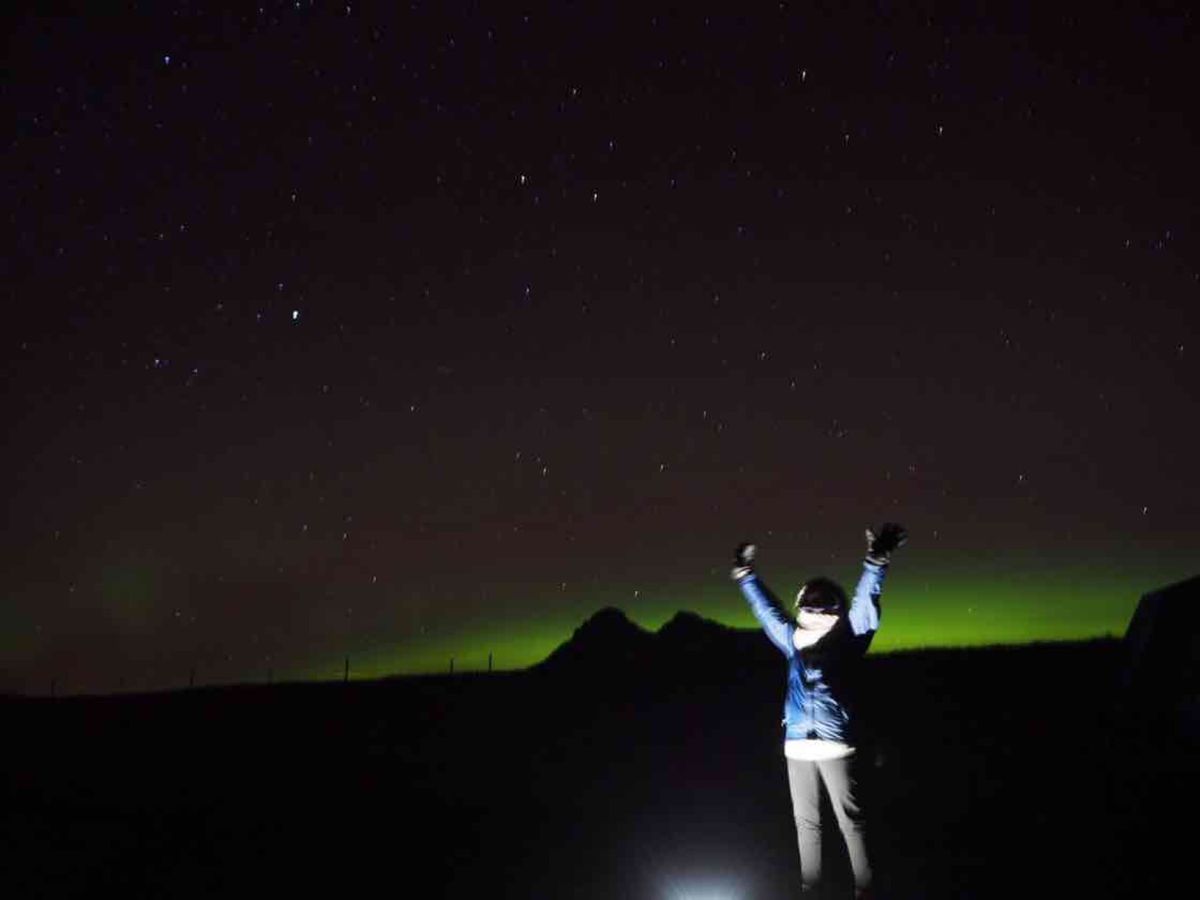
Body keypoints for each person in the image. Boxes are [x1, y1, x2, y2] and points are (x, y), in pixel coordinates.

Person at [731, 523, 907, 898]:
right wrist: (746, 577)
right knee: (812, 822)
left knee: (848, 822)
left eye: (817, 599)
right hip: (800, 744)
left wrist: (876, 563)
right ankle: (815, 890)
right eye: (811, 598)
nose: (812, 604)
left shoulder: (847, 637)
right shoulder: (794, 639)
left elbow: (865, 604)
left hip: (829, 744)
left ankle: (862, 888)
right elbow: (767, 611)